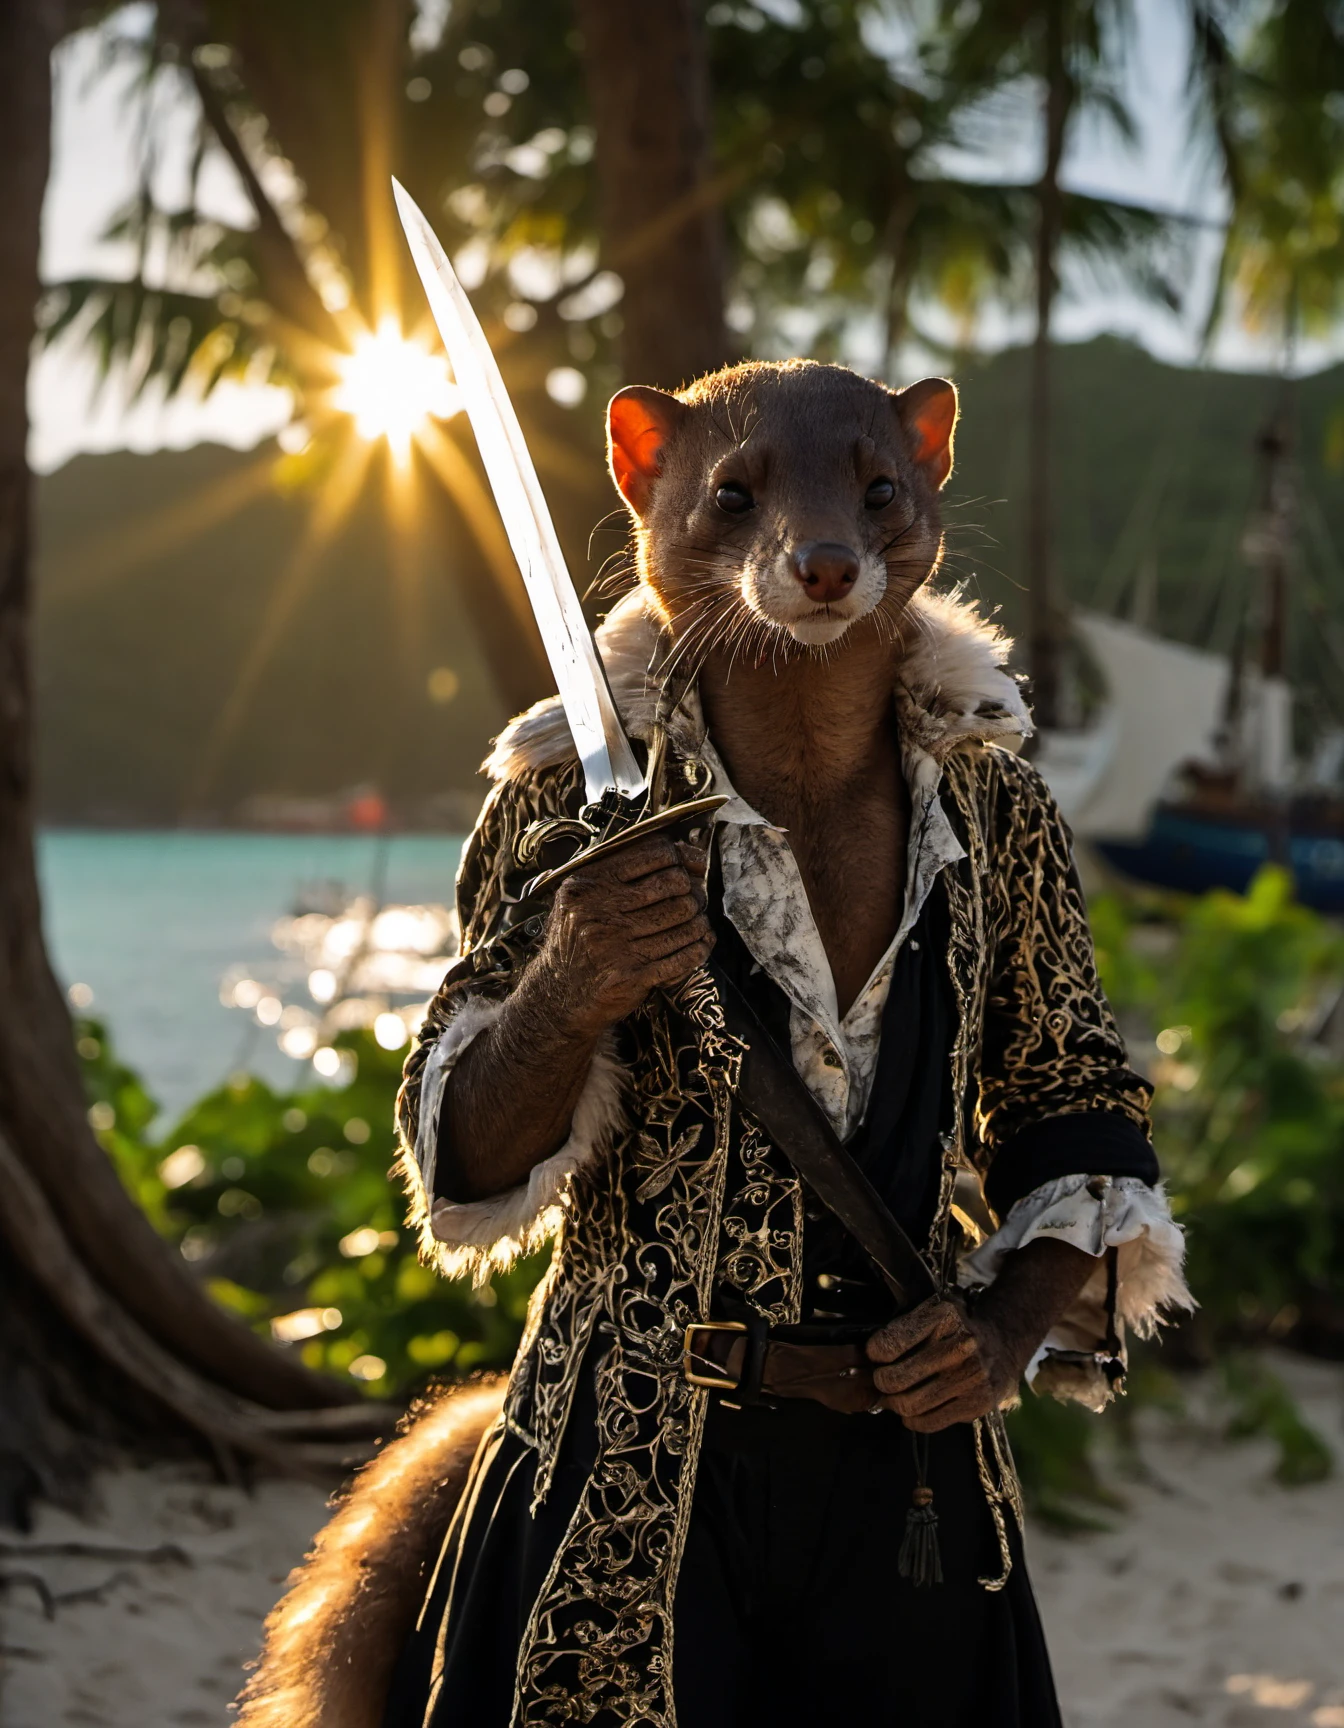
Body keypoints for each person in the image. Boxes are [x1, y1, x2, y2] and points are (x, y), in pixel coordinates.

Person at [386, 360, 1190, 1727]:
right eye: (738, 499)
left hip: (913, 1484)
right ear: (642, 476)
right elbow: (463, 1165)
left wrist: (1003, 1331)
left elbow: (1075, 1100)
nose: (820, 550)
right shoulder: (565, 801)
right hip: (619, 1475)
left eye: (876, 494)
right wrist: (567, 988)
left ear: (931, 476)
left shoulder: (997, 808)